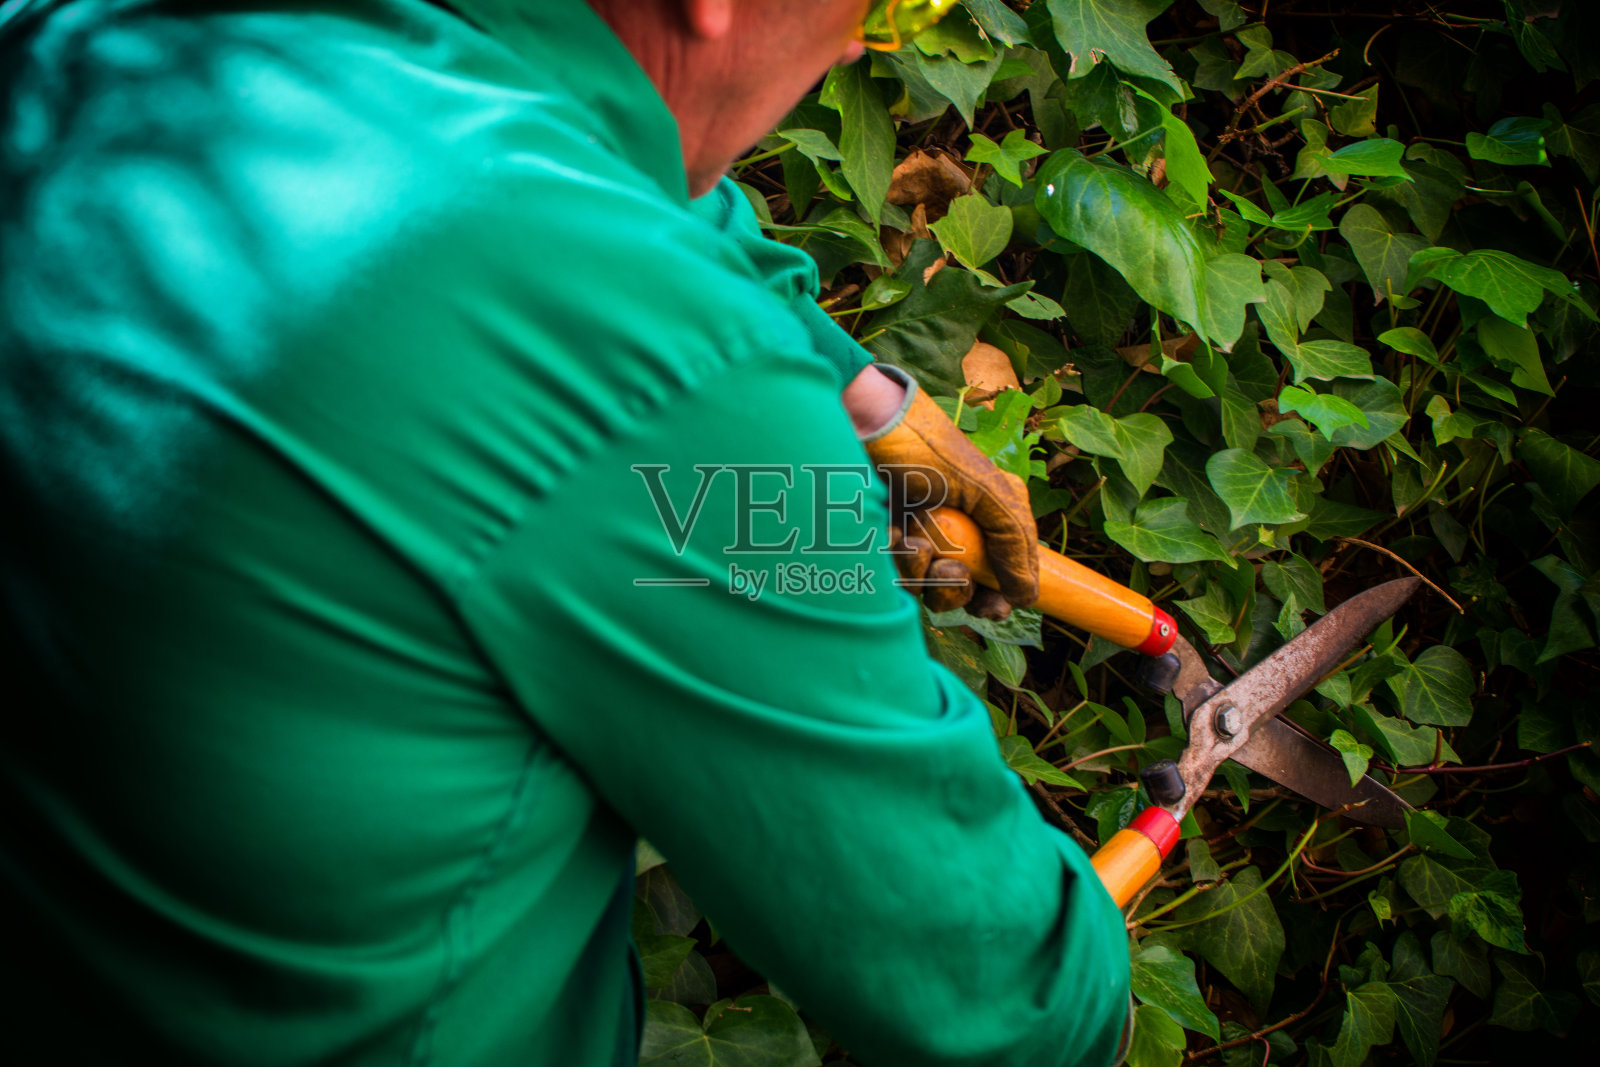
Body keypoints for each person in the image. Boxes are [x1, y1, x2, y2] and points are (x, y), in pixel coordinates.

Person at [0, 0, 1131, 1063]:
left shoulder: (93, 36)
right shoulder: (677, 385)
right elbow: (1001, 1000)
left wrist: (866, 397)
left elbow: (598, 172)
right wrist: (1125, 877)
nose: (852, 47)